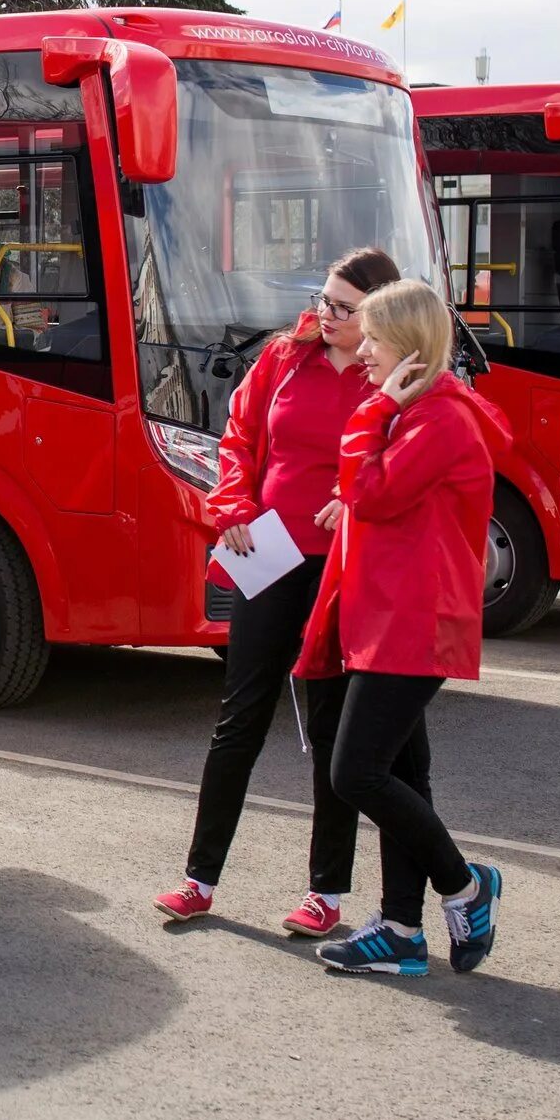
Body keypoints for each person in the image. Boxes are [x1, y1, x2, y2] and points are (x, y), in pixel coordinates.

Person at [155, 248, 401, 938]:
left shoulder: (391, 375)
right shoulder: (284, 355)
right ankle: (198, 879)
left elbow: (396, 461)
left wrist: (352, 498)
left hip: (342, 563)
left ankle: (326, 893)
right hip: (268, 550)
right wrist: (231, 505)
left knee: (329, 727)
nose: (326, 314)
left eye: (343, 307)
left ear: (377, 313)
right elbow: (237, 438)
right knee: (240, 716)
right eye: (324, 299)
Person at [295, 280, 508, 976]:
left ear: (409, 347)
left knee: (356, 771)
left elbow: (372, 491)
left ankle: (465, 886)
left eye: (376, 340)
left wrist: (376, 411)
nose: (364, 354)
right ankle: (400, 929)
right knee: (398, 774)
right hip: (394, 614)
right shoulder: (422, 412)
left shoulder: (436, 417)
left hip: (412, 619)